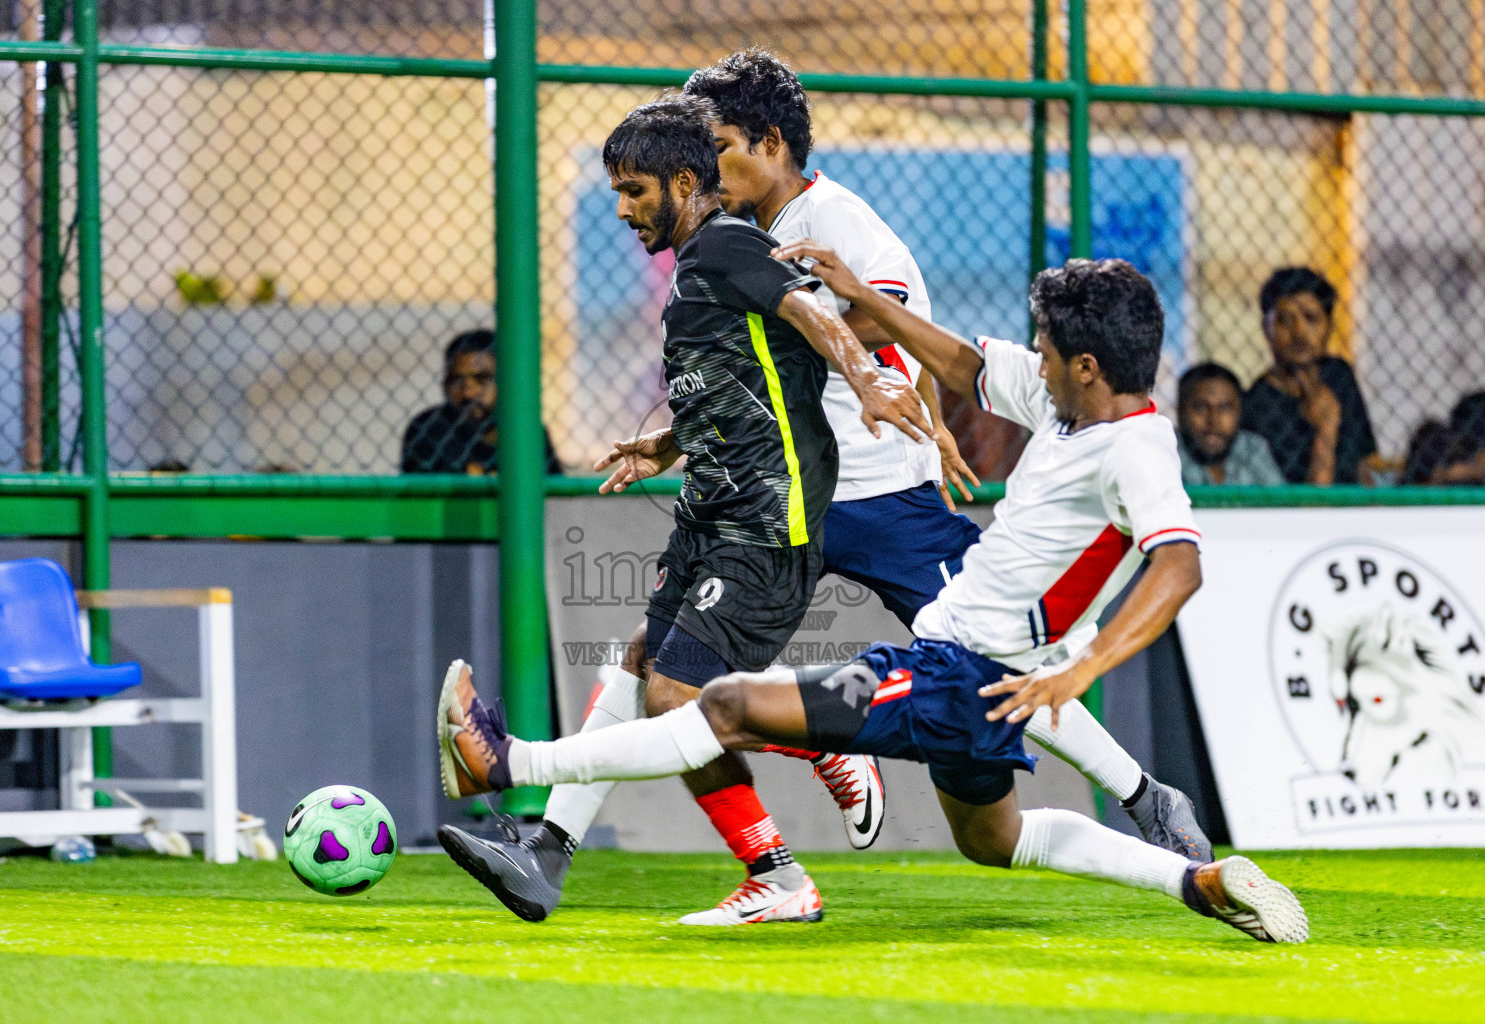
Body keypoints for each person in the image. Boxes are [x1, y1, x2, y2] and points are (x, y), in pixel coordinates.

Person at [441, 48, 1211, 928]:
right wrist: (672, 434)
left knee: (984, 663)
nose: (706, 161)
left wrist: (903, 388)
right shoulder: (734, 237)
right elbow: (754, 367)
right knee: (655, 661)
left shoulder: (836, 220)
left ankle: (1142, 794)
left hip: (881, 501)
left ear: (771, 144)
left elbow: (868, 320)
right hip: (782, 494)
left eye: (720, 143)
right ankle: (549, 848)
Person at [438, 256, 1308, 943]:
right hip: (982, 685)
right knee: (994, 840)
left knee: (732, 703)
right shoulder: (1071, 406)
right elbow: (966, 366)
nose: (1032, 361)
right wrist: (869, 301)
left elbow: (1180, 567)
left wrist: (1083, 669)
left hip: (958, 675)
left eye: (1045, 351)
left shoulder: (1136, 453)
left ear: (1087, 364)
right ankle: (1194, 881)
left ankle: (507, 763)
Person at [437, 97, 932, 925]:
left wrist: (871, 375)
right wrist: (667, 444)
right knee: (638, 669)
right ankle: (550, 857)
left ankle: (799, 790)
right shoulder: (700, 265)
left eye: (634, 191)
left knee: (676, 697)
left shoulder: (730, 244)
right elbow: (745, 381)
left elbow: (812, 317)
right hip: (712, 516)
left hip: (766, 527)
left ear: (681, 181)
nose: (623, 209)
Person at [1240, 268, 1377, 484]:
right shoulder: (1256, 404)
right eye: (1285, 320)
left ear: (1329, 327)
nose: (1300, 332)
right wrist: (1326, 429)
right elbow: (1307, 504)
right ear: (1267, 330)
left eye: (1312, 319)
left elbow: (1363, 466)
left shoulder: (1338, 375)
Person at [400, 328, 564, 474]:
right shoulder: (428, 429)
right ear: (445, 384)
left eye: (482, 379)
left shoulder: (527, 430)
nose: (469, 391)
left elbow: (554, 496)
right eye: (457, 380)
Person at [1176, 362, 1283, 485]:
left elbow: (1282, 502)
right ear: (1180, 411)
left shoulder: (1252, 448)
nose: (1214, 421)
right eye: (1200, 407)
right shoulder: (1167, 454)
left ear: (1240, 412)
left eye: (1225, 408)